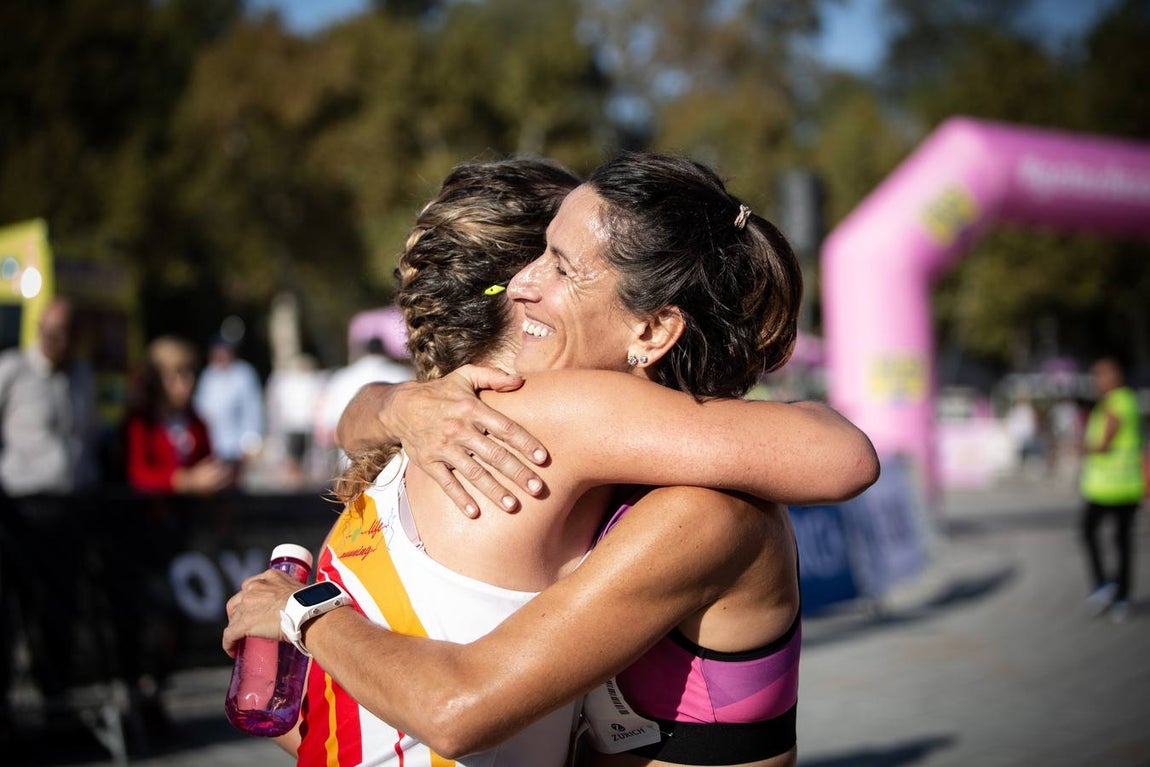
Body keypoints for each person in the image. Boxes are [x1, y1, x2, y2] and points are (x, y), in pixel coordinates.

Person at [225, 154, 879, 766]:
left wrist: (303, 611)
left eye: (562, 266)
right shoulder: (537, 430)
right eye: (538, 253)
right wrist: (397, 405)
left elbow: (844, 456)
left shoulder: (589, 428)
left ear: (652, 330)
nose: (522, 283)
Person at [0, 296, 100, 705]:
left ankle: (56, 696)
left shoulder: (80, 376)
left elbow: (88, 435)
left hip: (69, 508)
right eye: (50, 332)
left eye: (65, 334)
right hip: (19, 509)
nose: (55, 342)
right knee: (14, 611)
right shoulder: (13, 370)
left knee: (60, 609)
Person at [1079, 356, 1145, 622]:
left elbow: (1106, 441)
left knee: (1107, 537)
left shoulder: (1118, 402)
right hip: (1112, 485)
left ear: (1114, 377)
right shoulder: (1115, 402)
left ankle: (1114, 591)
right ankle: (1114, 590)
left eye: (1100, 376)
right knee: (1117, 540)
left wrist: (1084, 448)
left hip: (1115, 486)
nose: (1096, 382)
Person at [124, 336, 232, 494]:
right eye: (176, 376)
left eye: (189, 374)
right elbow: (137, 474)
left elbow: (208, 464)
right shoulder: (142, 424)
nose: (186, 383)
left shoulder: (198, 423)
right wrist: (185, 480)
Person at [193, 334, 264, 486]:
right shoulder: (209, 375)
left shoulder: (243, 374)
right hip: (213, 446)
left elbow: (252, 409)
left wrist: (250, 442)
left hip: (235, 448)